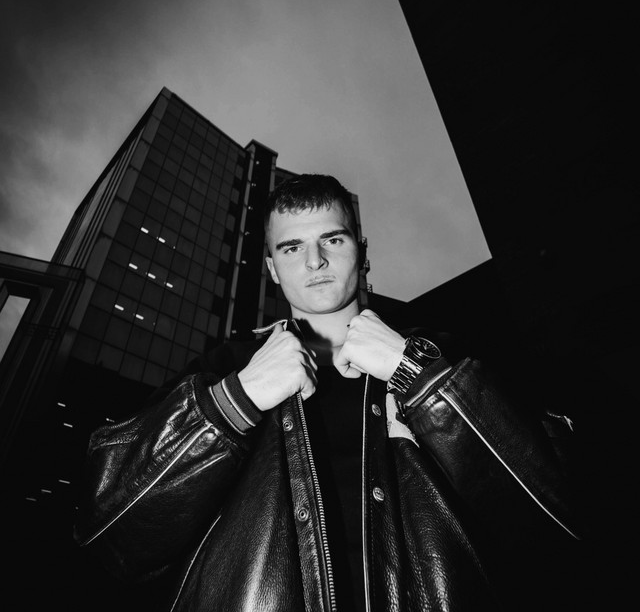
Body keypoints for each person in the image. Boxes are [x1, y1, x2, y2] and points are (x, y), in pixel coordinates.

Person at [74, 174, 579, 611]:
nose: (315, 261)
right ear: (272, 268)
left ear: (362, 250)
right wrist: (236, 400)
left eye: (332, 239)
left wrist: (416, 375)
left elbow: (561, 519)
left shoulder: (441, 355)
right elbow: (111, 536)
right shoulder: (224, 369)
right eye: (292, 248)